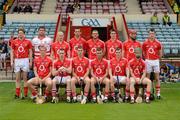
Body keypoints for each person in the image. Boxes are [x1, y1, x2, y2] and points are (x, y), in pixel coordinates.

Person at [10, 27, 33, 98]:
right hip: (17, 60)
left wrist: (30, 61)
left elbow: (30, 52)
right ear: (18, 34)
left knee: (25, 78)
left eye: (22, 33)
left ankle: (25, 94)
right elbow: (11, 51)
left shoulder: (28, 41)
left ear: (24, 34)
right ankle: (17, 94)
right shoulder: (14, 41)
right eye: (19, 33)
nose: (20, 34)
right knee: (17, 78)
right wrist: (11, 61)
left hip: (25, 60)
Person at [142, 28, 163, 99]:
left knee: (157, 78)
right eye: (150, 34)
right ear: (148, 34)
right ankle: (147, 92)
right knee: (147, 78)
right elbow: (143, 52)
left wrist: (157, 59)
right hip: (148, 61)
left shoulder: (158, 43)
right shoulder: (145, 43)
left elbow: (160, 53)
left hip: (156, 61)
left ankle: (158, 93)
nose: (151, 35)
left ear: (155, 34)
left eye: (153, 34)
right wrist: (147, 59)